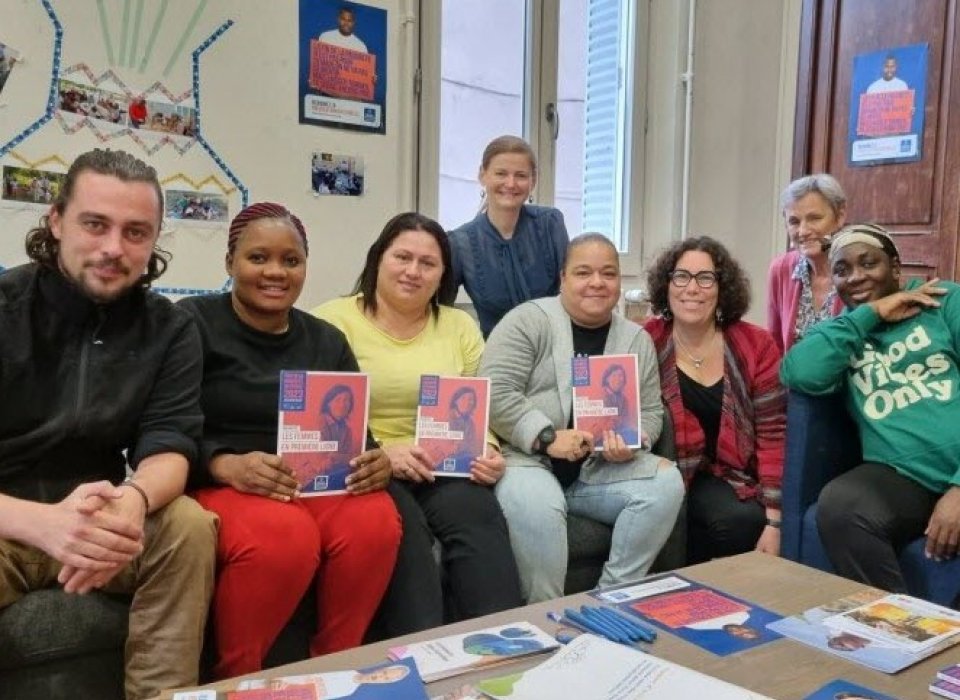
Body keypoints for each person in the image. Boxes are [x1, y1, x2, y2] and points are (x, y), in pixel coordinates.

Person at [0, 148, 217, 699]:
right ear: (55, 221)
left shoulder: (170, 328)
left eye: (136, 232)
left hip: (101, 515)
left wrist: (134, 502)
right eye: (95, 224)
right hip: (8, 518)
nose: (114, 248)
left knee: (188, 525)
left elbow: (171, 444)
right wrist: (44, 524)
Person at [178, 202, 401, 679]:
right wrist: (226, 464)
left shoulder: (326, 339)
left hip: (313, 483)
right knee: (285, 535)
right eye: (258, 258)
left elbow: (359, 434)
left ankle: (335, 667)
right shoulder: (192, 322)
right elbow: (163, 425)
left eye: (291, 260)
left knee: (376, 519)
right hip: (223, 480)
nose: (275, 272)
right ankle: (237, 678)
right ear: (230, 263)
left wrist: (375, 459)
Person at [315, 212, 523, 635]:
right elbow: (321, 420)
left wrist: (489, 450)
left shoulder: (459, 325)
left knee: (478, 519)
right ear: (378, 258)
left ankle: (505, 648)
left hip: (444, 465)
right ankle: (421, 656)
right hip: (369, 466)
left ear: (444, 273)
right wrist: (382, 453)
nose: (413, 271)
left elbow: (479, 404)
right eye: (402, 257)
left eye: (428, 263)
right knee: (405, 535)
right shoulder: (332, 321)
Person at [482, 233, 684, 602]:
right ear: (563, 278)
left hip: (599, 470)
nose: (597, 282)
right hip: (530, 462)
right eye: (583, 272)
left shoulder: (635, 339)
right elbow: (495, 390)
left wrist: (635, 440)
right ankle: (545, 614)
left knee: (667, 484)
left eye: (608, 274)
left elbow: (653, 411)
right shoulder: (527, 321)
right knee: (539, 509)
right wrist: (546, 436)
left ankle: (611, 600)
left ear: (620, 282)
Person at [780, 223, 960, 594]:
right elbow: (799, 372)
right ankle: (902, 628)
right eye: (842, 270)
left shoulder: (944, 302)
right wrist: (871, 314)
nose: (856, 277)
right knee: (841, 507)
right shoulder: (844, 332)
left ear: (895, 268)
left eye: (869, 264)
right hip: (904, 475)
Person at [645, 236, 786, 564]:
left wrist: (775, 520)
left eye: (705, 278)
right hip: (665, 471)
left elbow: (774, 434)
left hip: (730, 474)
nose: (691, 289)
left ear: (722, 288)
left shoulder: (756, 344)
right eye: (681, 277)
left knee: (743, 520)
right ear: (666, 285)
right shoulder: (645, 340)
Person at [448, 135, 570, 337]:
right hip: (497, 358)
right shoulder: (460, 243)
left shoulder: (551, 223)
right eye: (501, 173)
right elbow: (444, 313)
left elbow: (572, 291)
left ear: (533, 181)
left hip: (555, 349)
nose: (511, 183)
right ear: (482, 175)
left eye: (521, 175)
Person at [767, 173, 847, 353]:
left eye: (814, 218)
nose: (803, 231)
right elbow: (775, 344)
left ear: (840, 216)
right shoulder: (781, 269)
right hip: (792, 380)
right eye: (794, 222)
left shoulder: (859, 271)